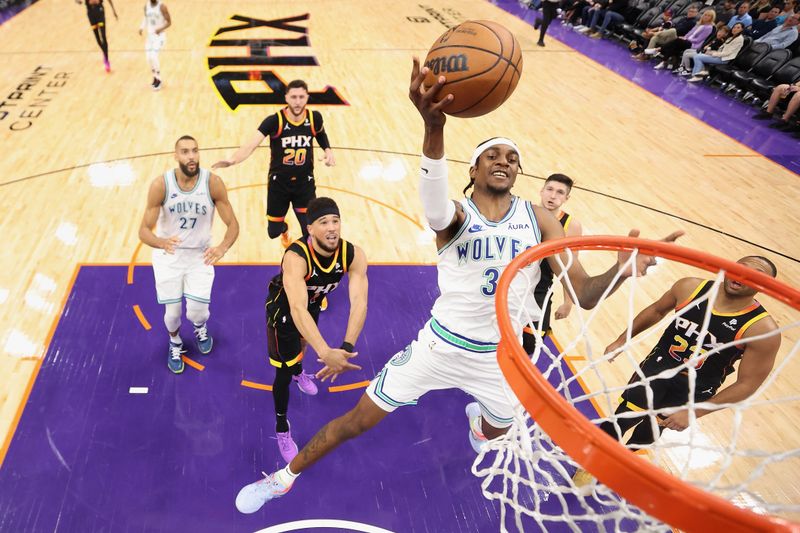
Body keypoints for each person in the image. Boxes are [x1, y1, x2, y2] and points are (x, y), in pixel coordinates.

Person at [233, 57, 683, 514]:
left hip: (500, 357)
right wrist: (433, 127)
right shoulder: (457, 217)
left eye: (512, 158)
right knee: (355, 422)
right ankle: (283, 479)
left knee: (496, 429)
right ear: (474, 170)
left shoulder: (540, 218)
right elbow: (432, 203)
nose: (504, 161)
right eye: (493, 155)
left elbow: (584, 293)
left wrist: (623, 272)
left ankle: (478, 425)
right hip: (439, 347)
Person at [573, 256, 780, 487]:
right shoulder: (690, 287)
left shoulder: (762, 329)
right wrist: (622, 339)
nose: (741, 276)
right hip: (657, 368)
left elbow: (747, 384)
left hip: (695, 387)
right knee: (624, 416)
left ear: (764, 286)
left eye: (754, 275)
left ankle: (622, 459)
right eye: (739, 268)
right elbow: (656, 310)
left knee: (651, 431)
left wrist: (695, 412)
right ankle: (592, 463)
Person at [264, 197, 368, 463]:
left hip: (310, 304)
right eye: (324, 222)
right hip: (284, 311)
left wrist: (345, 349)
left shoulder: (352, 254)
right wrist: (326, 352)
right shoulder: (296, 257)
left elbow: (360, 302)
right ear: (310, 228)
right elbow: (296, 308)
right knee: (283, 372)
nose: (332, 227)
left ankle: (301, 372)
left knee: (303, 346)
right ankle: (281, 427)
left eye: (335, 221)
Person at [138, 135, 240, 374]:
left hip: (200, 256)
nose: (191, 156)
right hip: (169, 256)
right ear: (176, 156)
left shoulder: (213, 183)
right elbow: (143, 231)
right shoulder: (160, 186)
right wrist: (161, 242)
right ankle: (175, 342)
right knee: (172, 313)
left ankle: (199, 326)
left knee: (197, 311)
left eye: (194, 150)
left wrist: (223, 247)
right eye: (185, 151)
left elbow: (233, 224)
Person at [212, 80, 335, 248]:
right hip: (279, 185)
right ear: (286, 98)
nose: (297, 102)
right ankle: (285, 229)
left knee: (309, 231)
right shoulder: (274, 121)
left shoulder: (314, 119)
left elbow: (320, 133)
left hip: (304, 184)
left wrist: (327, 150)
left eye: (301, 97)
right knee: (273, 232)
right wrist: (232, 160)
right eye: (293, 97)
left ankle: (304, 262)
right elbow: (251, 144)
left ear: (307, 97)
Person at [522, 174, 583, 354]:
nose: (553, 196)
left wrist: (568, 302)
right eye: (549, 189)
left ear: (566, 198)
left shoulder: (571, 226)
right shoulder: (525, 213)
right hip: (514, 284)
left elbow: (571, 267)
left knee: (530, 344)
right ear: (541, 191)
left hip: (541, 290)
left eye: (560, 192)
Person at [76, 0, 117, 72]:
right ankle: (105, 53)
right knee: (98, 39)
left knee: (103, 37)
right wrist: (77, 1)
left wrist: (113, 10)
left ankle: (107, 60)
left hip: (99, 11)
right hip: (91, 13)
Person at [138, 0, 171, 91]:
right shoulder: (146, 6)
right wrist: (141, 27)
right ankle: (155, 77)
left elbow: (169, 22)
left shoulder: (162, 6)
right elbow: (145, 18)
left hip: (159, 37)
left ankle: (159, 79)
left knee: (153, 56)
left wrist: (160, 29)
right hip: (150, 36)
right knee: (148, 58)